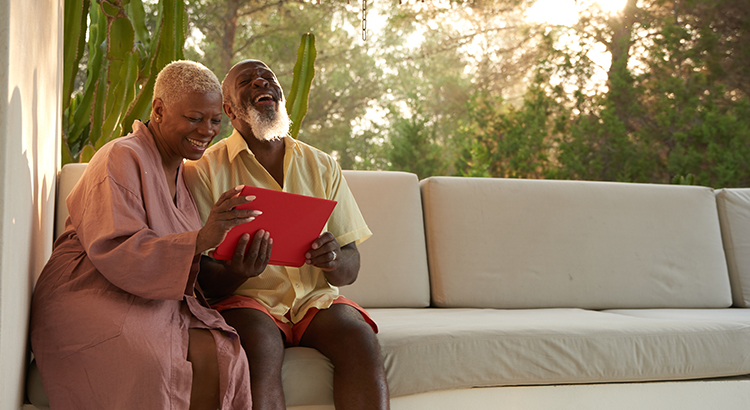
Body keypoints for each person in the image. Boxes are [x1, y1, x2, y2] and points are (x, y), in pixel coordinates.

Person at [30, 60, 267, 410]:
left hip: (147, 294)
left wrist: (234, 261)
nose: (207, 130)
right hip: (90, 291)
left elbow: (183, 262)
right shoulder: (121, 156)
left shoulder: (181, 172)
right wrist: (203, 238)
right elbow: (116, 249)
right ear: (158, 110)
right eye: (194, 118)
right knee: (153, 363)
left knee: (221, 356)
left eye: (215, 120)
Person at [183, 59, 390, 410]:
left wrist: (334, 261)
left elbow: (351, 265)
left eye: (267, 77)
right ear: (230, 110)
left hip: (314, 300)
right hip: (248, 301)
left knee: (360, 338)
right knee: (259, 348)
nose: (261, 82)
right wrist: (236, 272)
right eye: (247, 80)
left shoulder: (322, 164)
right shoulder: (204, 170)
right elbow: (198, 275)